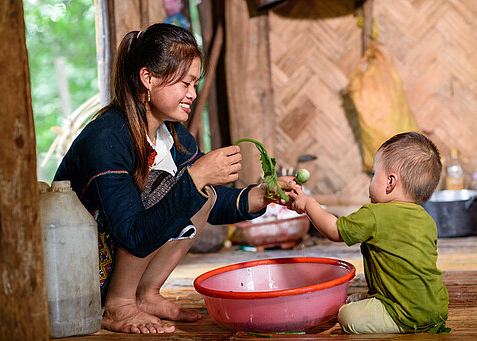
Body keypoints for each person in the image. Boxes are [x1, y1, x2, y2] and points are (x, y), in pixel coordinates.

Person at [54, 23, 286, 334]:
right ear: (147, 78)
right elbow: (133, 232)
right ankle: (120, 305)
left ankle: (145, 294)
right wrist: (194, 178)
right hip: (79, 281)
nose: (192, 93)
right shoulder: (107, 138)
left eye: (195, 84)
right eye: (185, 83)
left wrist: (261, 195)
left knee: (198, 192)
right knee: (169, 186)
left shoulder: (173, 136)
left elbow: (207, 204)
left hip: (115, 264)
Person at [287, 132, 449, 334]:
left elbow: (334, 230)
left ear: (390, 182)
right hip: (437, 308)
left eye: (374, 174)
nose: (371, 181)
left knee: (347, 315)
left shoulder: (374, 214)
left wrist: (308, 204)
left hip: (405, 313)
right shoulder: (426, 219)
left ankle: (399, 321)